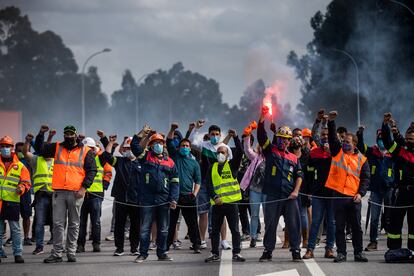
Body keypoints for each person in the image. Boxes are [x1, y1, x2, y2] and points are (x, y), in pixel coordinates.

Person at [35, 125, 97, 263]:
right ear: (64, 135)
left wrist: (84, 188)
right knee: (58, 224)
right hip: (59, 192)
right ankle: (57, 254)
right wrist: (41, 134)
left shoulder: (86, 151)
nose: (68, 136)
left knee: (74, 224)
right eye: (66, 134)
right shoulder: (57, 147)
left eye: (71, 134)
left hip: (76, 192)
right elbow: (39, 150)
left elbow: (92, 170)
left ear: (75, 135)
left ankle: (71, 252)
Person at [257, 106, 303, 262]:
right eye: (281, 138)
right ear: (277, 138)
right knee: (270, 224)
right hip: (272, 195)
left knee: (294, 224)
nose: (284, 141)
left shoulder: (294, 158)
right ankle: (268, 251)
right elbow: (261, 136)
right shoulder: (270, 151)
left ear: (290, 141)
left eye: (286, 139)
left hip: (290, 197)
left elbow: (299, 176)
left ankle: (296, 250)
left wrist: (296, 192)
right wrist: (262, 117)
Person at [324, 111, 370, 263]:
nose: (344, 142)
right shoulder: (338, 152)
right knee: (339, 227)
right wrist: (331, 122)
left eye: (348, 141)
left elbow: (365, 179)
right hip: (338, 195)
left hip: (354, 197)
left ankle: (358, 253)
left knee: (356, 227)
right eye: (344, 140)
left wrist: (361, 194)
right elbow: (332, 138)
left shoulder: (363, 159)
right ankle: (341, 253)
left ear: (355, 144)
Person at [134, 133, 179, 263]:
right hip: (147, 199)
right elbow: (135, 147)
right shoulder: (145, 157)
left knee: (164, 228)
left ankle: (162, 253)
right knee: (145, 228)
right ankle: (142, 253)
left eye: (160, 142)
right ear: (150, 145)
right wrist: (141, 135)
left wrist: (174, 199)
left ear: (164, 144)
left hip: (164, 200)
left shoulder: (170, 162)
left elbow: (175, 182)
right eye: (155, 142)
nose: (158, 145)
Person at [189, 121, 233, 250]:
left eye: (217, 134)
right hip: (204, 183)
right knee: (203, 213)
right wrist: (196, 128)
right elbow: (191, 141)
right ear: (209, 135)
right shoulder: (204, 145)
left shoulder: (226, 148)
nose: (215, 136)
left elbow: (228, 167)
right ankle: (202, 240)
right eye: (212, 134)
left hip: (219, 185)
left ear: (220, 135)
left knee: (221, 212)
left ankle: (224, 240)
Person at [205, 129, 245, 263]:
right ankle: (215, 253)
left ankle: (236, 253)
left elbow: (240, 152)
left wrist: (236, 137)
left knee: (235, 229)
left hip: (231, 203)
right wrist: (215, 197)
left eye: (223, 152)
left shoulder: (233, 165)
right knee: (214, 230)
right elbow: (209, 185)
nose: (220, 154)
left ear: (228, 154)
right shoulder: (212, 167)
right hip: (217, 204)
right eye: (218, 152)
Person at [100, 134, 142, 256]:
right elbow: (106, 156)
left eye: (130, 148)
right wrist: (111, 142)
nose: (128, 150)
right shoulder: (119, 161)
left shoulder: (141, 163)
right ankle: (119, 248)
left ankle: (134, 248)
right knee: (119, 225)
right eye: (126, 148)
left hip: (136, 199)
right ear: (123, 150)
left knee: (136, 225)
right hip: (121, 199)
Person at [165, 123, 202, 254]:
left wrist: (194, 194)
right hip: (174, 196)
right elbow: (169, 141)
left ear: (190, 148)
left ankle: (196, 244)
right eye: (183, 146)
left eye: (187, 146)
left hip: (188, 196)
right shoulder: (174, 156)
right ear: (179, 147)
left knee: (192, 223)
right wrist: (172, 129)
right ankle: (166, 245)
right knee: (172, 222)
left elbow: (198, 181)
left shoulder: (194, 163)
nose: (185, 148)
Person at [356, 127, 394, 251]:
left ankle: (393, 244)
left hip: (390, 189)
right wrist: (360, 134)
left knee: (391, 217)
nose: (381, 139)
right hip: (376, 190)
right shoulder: (372, 151)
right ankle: (373, 242)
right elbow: (361, 146)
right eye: (379, 137)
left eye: (383, 137)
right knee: (374, 218)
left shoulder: (393, 151)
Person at [382, 113, 414, 251]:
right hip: (401, 192)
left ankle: (413, 250)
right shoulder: (400, 151)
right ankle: (394, 249)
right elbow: (388, 142)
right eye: (407, 139)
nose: (409, 141)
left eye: (412, 139)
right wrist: (385, 126)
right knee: (395, 222)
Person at [303, 125, 335, 259]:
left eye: (327, 135)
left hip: (333, 193)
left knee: (332, 222)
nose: (325, 137)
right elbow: (309, 173)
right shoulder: (313, 152)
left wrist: (331, 153)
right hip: (317, 194)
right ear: (319, 137)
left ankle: (329, 249)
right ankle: (310, 249)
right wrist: (309, 190)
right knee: (315, 222)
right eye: (323, 135)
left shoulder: (337, 152)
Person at [77, 137, 113, 253]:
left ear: (94, 149)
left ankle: (96, 244)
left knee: (96, 221)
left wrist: (110, 142)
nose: (89, 150)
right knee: (81, 222)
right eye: (86, 148)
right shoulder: (79, 160)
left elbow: (108, 154)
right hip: (82, 194)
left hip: (96, 195)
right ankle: (80, 245)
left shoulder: (100, 159)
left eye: (91, 148)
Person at [0, 136, 31, 263]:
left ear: (12, 148)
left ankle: (18, 254)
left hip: (13, 201)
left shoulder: (20, 166)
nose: (5, 148)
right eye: (2, 146)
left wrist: (21, 188)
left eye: (7, 146)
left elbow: (27, 182)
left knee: (16, 230)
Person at [23, 133, 54, 255]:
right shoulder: (36, 159)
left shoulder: (56, 161)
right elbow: (25, 153)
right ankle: (39, 246)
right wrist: (27, 142)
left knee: (56, 222)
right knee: (39, 222)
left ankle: (56, 246)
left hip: (55, 195)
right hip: (41, 196)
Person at [240, 121, 265, 248]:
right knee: (254, 215)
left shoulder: (273, 158)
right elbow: (247, 149)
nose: (262, 147)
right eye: (260, 145)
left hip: (267, 192)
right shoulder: (255, 157)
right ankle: (253, 238)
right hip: (255, 190)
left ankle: (267, 238)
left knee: (268, 216)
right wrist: (248, 134)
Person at [14, 142, 33, 247]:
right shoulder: (12, 161)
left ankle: (26, 237)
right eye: (19, 151)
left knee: (26, 215)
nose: (21, 153)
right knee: (11, 216)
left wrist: (29, 141)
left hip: (25, 192)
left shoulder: (29, 160)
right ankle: (13, 237)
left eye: (23, 151)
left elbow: (39, 149)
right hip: (12, 192)